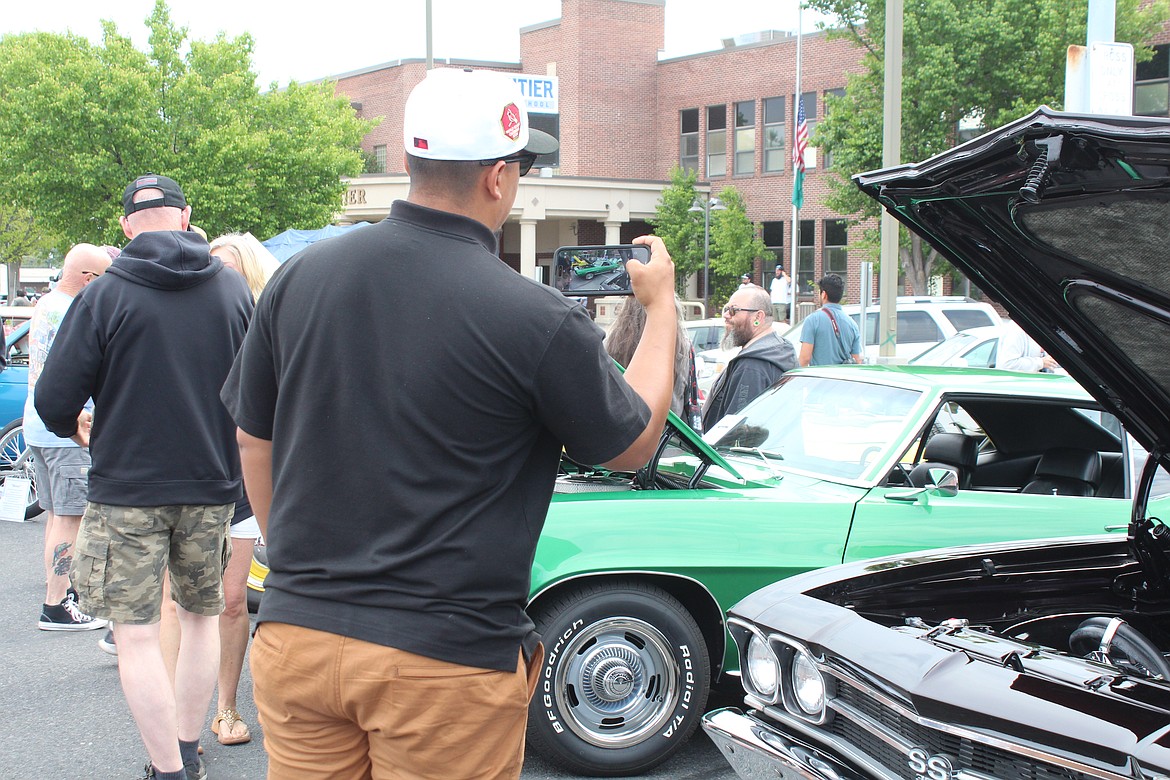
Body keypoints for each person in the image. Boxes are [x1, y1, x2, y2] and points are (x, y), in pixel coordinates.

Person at [221, 67, 676, 780]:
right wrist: (662, 309)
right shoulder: (531, 316)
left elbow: (254, 435)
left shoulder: (300, 278)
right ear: (498, 177)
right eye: (521, 167)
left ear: (409, 160)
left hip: (298, 636)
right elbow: (633, 443)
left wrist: (290, 556)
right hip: (443, 659)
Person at [35, 173, 252, 780]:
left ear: (127, 226)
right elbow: (263, 387)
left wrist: (84, 425)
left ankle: (168, 770)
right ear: (186, 218)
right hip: (212, 484)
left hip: (128, 489)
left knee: (134, 633)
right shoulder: (232, 291)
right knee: (201, 619)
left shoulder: (104, 294)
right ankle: (185, 751)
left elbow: (54, 401)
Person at [201, 231, 279, 747]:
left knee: (232, 601)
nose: (216, 277)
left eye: (227, 268)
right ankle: (176, 722)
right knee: (181, 605)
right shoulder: (193, 320)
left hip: (243, 482)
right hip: (190, 476)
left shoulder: (264, 330)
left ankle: (226, 706)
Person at [29, 243, 111, 632]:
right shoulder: (73, 311)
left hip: (37, 427)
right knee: (70, 518)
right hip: (69, 431)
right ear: (89, 278)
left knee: (55, 516)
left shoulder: (46, 304)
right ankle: (57, 604)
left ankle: (60, 593)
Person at [701, 286, 796, 430]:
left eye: (733, 310)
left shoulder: (752, 366)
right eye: (726, 309)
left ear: (758, 317)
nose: (726, 315)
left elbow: (737, 434)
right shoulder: (780, 350)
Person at [606, 296, 702, 431]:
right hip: (667, 439)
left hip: (622, 436)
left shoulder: (611, 344)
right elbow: (688, 401)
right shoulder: (680, 346)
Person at [798, 273, 862, 367]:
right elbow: (857, 360)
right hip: (843, 380)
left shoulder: (812, 320)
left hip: (819, 379)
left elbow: (804, 359)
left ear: (824, 294)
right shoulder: (852, 324)